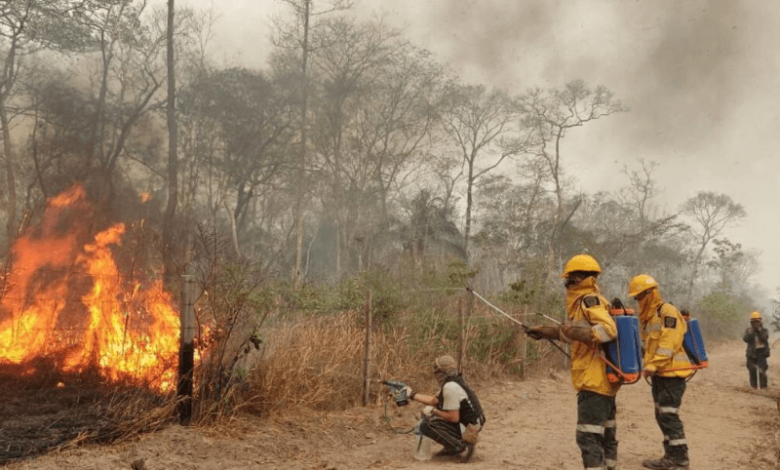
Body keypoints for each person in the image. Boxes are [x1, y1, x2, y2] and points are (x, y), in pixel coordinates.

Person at [526, 254, 620, 470]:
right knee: (605, 434)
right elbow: (572, 333)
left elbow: (607, 331)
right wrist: (544, 331)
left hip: (593, 381)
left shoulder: (589, 300)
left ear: (577, 278)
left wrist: (576, 331)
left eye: (568, 279)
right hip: (603, 381)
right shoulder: (590, 301)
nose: (566, 283)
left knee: (587, 436)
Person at [628, 274, 692, 470]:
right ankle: (669, 456)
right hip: (660, 376)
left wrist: (654, 364)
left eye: (640, 297)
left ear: (651, 292)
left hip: (672, 374)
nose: (638, 301)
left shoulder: (667, 311)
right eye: (636, 298)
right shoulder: (650, 316)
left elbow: (669, 341)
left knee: (668, 415)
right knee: (661, 415)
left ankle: (680, 460)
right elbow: (651, 345)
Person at [405, 355, 485, 463]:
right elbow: (434, 400)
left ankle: (457, 446)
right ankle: (461, 443)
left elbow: (453, 418)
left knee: (426, 424)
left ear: (441, 373)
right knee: (436, 415)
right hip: (475, 424)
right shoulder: (455, 382)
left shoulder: (449, 388)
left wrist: (434, 411)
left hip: (468, 428)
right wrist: (411, 394)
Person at [743, 311, 770, 389]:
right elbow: (745, 339)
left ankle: (763, 387)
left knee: (762, 370)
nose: (755, 323)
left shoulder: (764, 330)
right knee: (752, 369)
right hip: (751, 353)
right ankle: (753, 386)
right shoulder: (748, 330)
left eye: (757, 322)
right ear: (751, 322)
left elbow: (765, 338)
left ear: (760, 322)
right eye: (754, 322)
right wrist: (750, 333)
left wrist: (759, 331)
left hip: (761, 352)